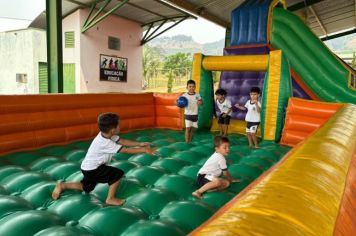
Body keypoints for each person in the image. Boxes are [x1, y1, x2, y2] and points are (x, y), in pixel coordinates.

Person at [51, 112, 155, 206]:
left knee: (87, 187)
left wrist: (140, 144)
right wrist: (144, 150)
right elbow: (125, 150)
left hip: (88, 167)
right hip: (93, 169)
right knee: (117, 174)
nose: (120, 126)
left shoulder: (106, 135)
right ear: (113, 130)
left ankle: (63, 185)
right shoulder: (105, 142)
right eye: (118, 125)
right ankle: (110, 199)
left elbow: (122, 141)